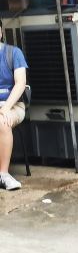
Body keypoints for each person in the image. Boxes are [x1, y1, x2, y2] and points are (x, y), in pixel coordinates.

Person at [0, 19, 28, 191]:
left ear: (0, 32)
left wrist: (5, 108)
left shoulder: (13, 53)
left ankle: (3, 174)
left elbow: (20, 83)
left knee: (2, 122)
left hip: (13, 106)